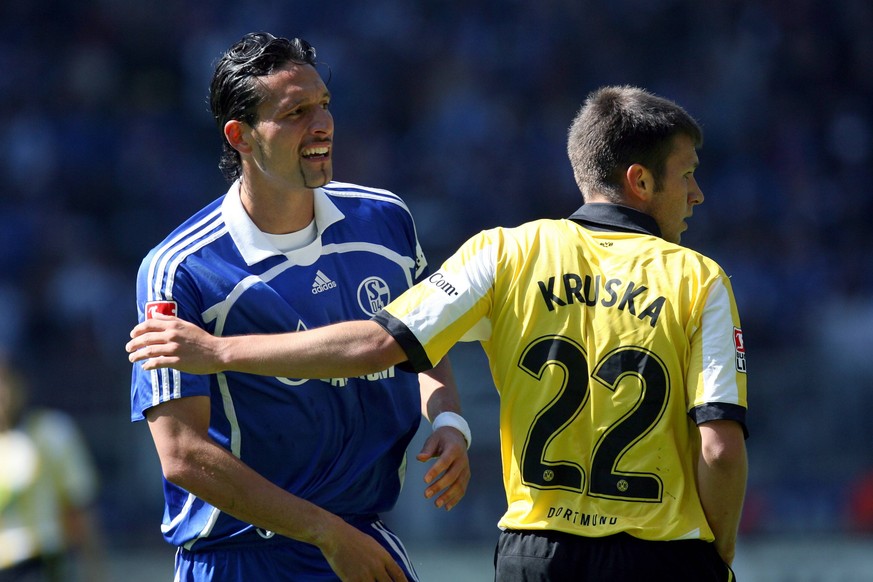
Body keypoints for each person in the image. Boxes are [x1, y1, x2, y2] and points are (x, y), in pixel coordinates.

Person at [128, 85, 748, 581]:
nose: (697, 193)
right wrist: (717, 555)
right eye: (688, 173)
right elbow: (718, 448)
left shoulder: (502, 251)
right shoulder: (700, 279)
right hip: (664, 553)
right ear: (640, 182)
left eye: (325, 105)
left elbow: (386, 344)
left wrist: (447, 416)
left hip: (535, 554)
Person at [128, 32, 470, 582]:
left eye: (324, 105)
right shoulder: (180, 269)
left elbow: (423, 343)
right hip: (238, 558)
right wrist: (323, 531)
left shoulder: (385, 221)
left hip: (361, 539)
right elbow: (183, 455)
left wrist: (449, 418)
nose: (322, 125)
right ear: (240, 136)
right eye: (295, 112)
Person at [0, 358, 106, 582]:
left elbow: (80, 507)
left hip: (39, 564)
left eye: (5, 381)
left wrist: (94, 571)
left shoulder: (52, 431)